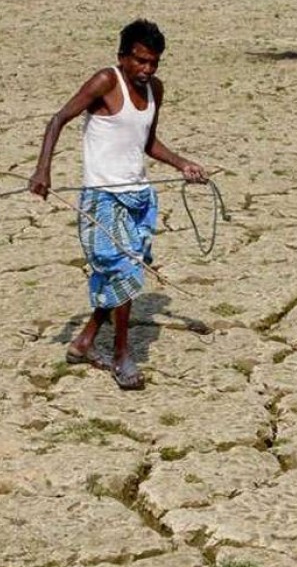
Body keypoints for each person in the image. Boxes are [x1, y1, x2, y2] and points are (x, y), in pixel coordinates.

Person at [29, 19, 207, 390]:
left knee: (124, 276)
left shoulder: (155, 89)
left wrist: (183, 164)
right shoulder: (105, 82)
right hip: (103, 199)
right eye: (140, 61)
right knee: (125, 275)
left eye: (153, 62)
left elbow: (148, 142)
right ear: (123, 57)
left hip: (140, 197)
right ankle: (123, 355)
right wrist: (43, 170)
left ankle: (85, 342)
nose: (146, 70)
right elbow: (58, 119)